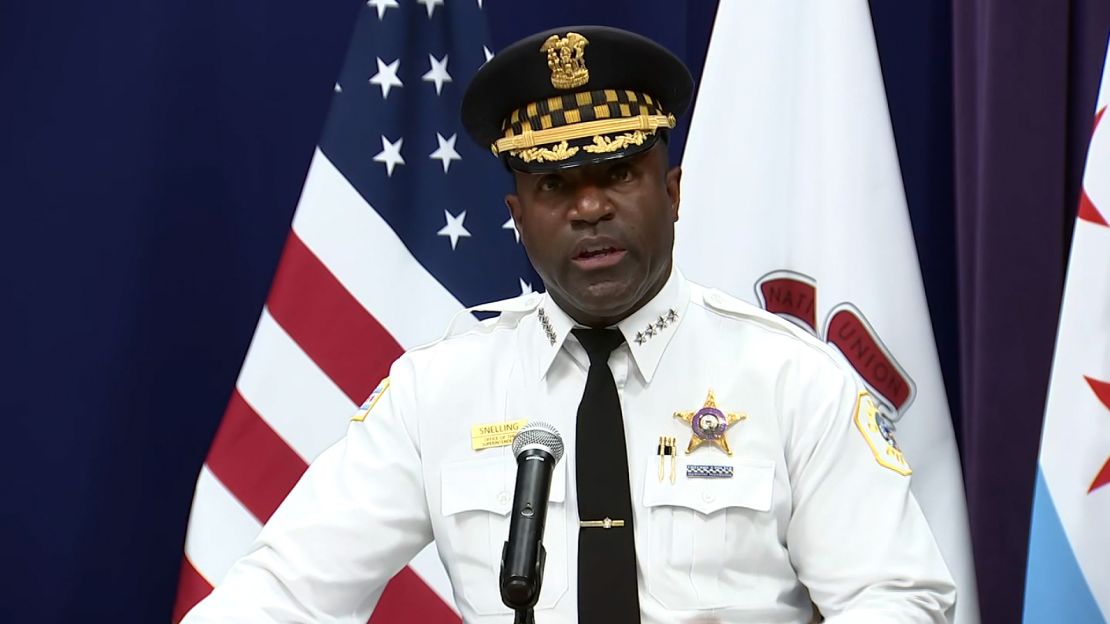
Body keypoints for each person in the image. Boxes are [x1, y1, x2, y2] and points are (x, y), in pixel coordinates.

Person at [183, 25, 956, 623]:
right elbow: (283, 594)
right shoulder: (441, 391)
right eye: (556, 185)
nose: (589, 208)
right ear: (518, 218)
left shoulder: (790, 380)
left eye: (618, 173)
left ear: (674, 190)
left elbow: (894, 597)